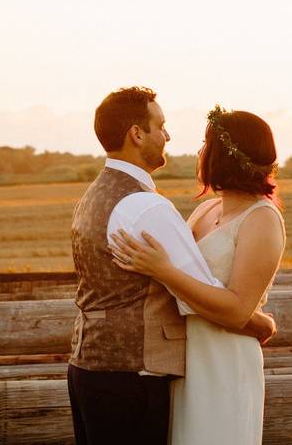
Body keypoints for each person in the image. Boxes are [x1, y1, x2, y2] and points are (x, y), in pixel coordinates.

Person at [66, 87, 276, 445]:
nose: (169, 136)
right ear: (137, 133)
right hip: (138, 373)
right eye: (160, 126)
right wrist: (261, 322)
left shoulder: (93, 195)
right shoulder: (150, 208)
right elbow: (193, 293)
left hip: (104, 364)